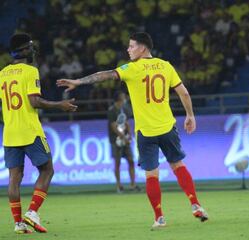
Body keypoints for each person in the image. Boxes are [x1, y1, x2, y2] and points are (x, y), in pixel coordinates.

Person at [57, 32, 208, 228]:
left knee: (151, 175)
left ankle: (159, 218)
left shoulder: (132, 69)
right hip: (167, 127)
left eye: (131, 46)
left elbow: (105, 75)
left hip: (146, 132)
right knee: (178, 165)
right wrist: (190, 115)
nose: (128, 50)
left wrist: (79, 81)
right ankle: (195, 205)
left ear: (143, 48)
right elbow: (184, 93)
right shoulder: (166, 66)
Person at [0, 33, 77, 234]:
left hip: (10, 132)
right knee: (47, 170)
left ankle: (18, 224)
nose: (33, 50)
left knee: (14, 179)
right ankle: (32, 212)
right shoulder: (30, 71)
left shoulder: (3, 74)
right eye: (30, 47)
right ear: (23, 50)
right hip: (30, 131)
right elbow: (34, 102)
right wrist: (59, 105)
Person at [108, 91, 139, 193]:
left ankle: (133, 185)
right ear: (118, 98)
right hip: (115, 140)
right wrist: (123, 137)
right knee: (117, 162)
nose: (125, 98)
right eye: (123, 96)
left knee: (131, 160)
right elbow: (113, 127)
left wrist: (129, 134)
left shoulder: (125, 108)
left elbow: (126, 123)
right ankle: (119, 185)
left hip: (125, 139)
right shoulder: (112, 110)